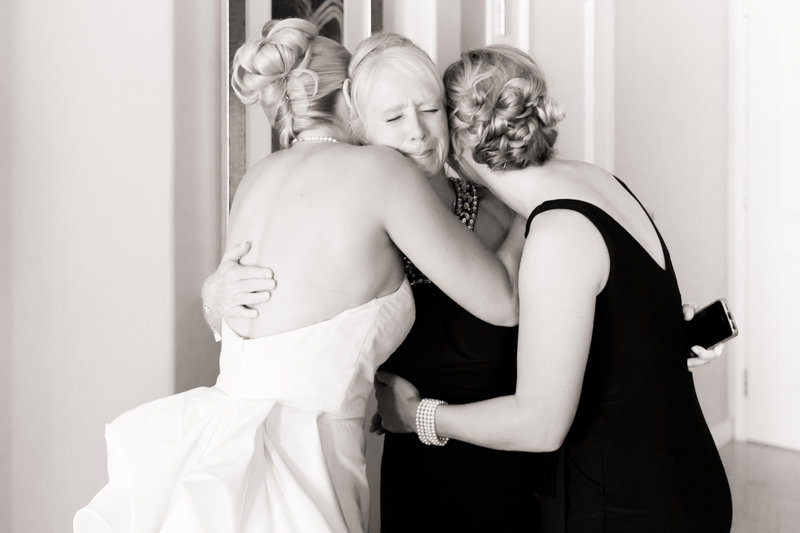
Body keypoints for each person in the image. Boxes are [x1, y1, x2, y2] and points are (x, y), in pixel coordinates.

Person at [203, 33, 724, 533]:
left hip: (532, 483)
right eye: (392, 117)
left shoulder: (518, 215)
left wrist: (641, 325)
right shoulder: (359, 218)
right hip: (418, 485)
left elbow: (554, 326)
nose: (418, 132)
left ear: (454, 122)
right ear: (360, 127)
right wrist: (213, 297)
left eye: (429, 110)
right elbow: (280, 318)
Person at [73, 20, 524, 533]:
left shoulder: (257, 179)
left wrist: (208, 297)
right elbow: (503, 301)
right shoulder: (381, 172)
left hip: (220, 445)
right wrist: (535, 210)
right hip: (306, 455)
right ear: (352, 100)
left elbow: (256, 309)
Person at [375, 45, 733, 532]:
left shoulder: (556, 236)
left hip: (629, 505)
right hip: (695, 477)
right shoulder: (598, 182)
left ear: (457, 144)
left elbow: (539, 426)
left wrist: (419, 416)